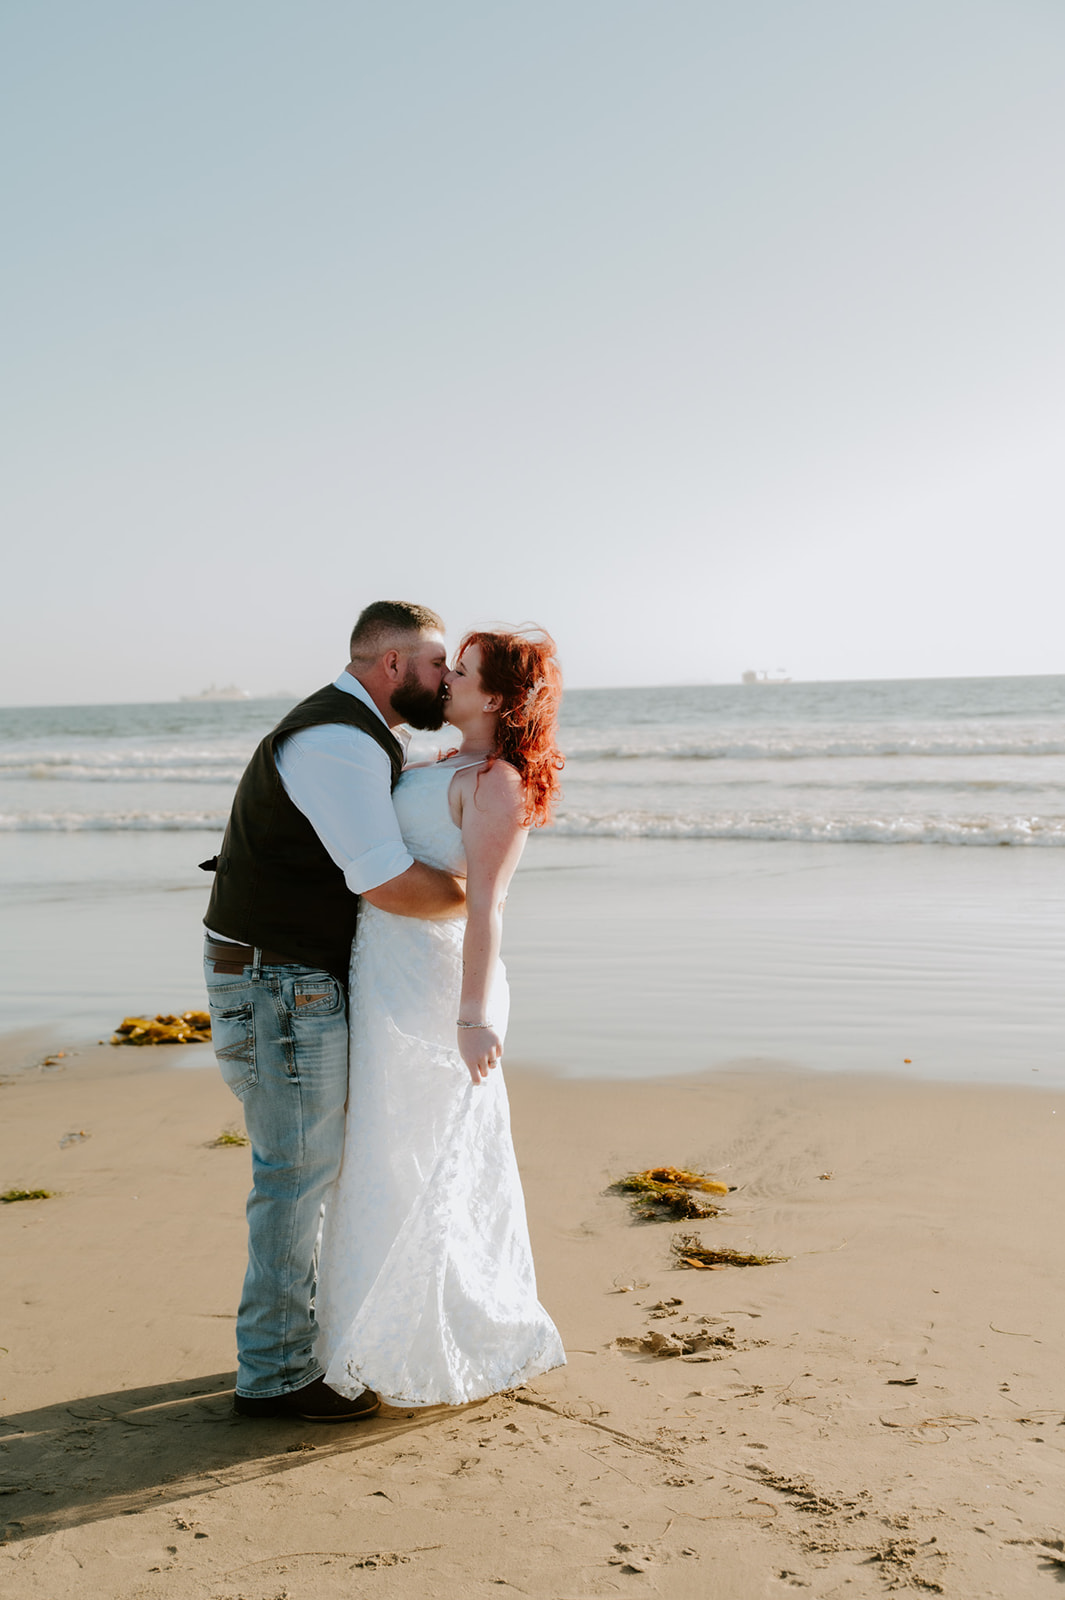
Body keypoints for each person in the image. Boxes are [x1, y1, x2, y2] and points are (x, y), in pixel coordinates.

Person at [202, 601, 467, 1422]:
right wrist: (478, 898)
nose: (445, 678)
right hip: (278, 982)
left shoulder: (358, 734)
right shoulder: (338, 739)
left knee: (306, 1171)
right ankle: (276, 1374)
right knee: (294, 1177)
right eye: (435, 664)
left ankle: (285, 1344)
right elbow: (382, 879)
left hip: (279, 974)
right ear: (392, 666)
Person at [313, 628, 567, 1407]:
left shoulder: (497, 781)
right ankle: (362, 1331)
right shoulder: (433, 764)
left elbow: (487, 904)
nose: (445, 679)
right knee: (380, 1148)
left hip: (434, 981)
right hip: (379, 962)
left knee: (421, 1148)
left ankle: (426, 1335)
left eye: (461, 672)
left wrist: (471, 1016)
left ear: (493, 697)